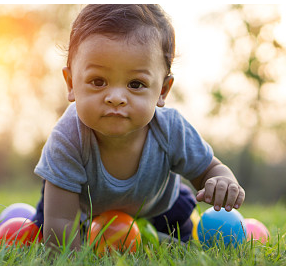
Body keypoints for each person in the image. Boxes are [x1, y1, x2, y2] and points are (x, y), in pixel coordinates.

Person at [33, 4, 245, 250]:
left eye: (135, 84)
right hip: (79, 212)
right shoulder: (68, 138)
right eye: (98, 81)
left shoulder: (171, 129)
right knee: (47, 232)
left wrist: (222, 181)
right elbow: (61, 220)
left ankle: (162, 235)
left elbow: (209, 169)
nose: (115, 97)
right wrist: (75, 260)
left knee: (183, 239)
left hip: (159, 207)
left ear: (162, 91)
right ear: (71, 83)